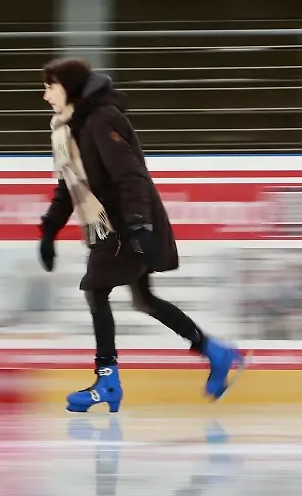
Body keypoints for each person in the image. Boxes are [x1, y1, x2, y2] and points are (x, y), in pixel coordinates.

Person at [36, 57, 247, 413]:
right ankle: (215, 351)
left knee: (96, 290)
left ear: (68, 88)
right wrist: (49, 230)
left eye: (50, 87)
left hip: (123, 226)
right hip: (113, 226)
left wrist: (138, 226)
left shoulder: (102, 120)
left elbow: (131, 176)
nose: (45, 96)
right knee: (144, 299)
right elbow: (67, 187)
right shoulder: (68, 129)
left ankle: (108, 381)